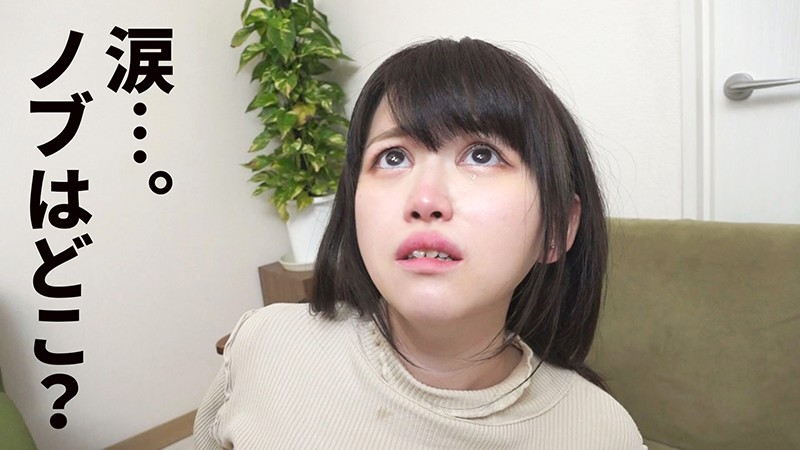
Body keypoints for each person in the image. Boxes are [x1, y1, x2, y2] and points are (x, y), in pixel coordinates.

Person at [194, 37, 646, 449]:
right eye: (393, 157)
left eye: (482, 155)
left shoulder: (602, 432)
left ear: (557, 227)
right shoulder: (263, 344)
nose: (425, 200)